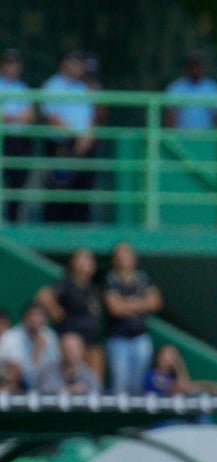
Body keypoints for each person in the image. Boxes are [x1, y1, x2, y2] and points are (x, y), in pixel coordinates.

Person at [40, 50, 96, 223]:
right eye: (74, 62)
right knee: (59, 188)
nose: (79, 66)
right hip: (62, 145)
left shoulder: (83, 87)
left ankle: (80, 225)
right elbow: (52, 117)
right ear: (64, 64)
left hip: (83, 144)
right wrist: (76, 136)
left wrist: (86, 136)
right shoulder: (52, 85)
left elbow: (90, 115)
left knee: (82, 187)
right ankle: (54, 226)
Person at [103, 242, 162, 395]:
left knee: (138, 385)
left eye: (126, 256)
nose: (123, 260)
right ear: (114, 260)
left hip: (140, 338)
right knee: (120, 383)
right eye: (119, 257)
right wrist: (141, 303)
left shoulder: (142, 278)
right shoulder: (110, 280)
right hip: (118, 339)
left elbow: (155, 302)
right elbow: (115, 308)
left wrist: (127, 304)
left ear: (133, 259)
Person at [35, 249, 104, 379]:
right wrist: (55, 311)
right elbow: (42, 295)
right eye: (82, 261)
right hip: (72, 345)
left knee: (94, 382)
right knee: (72, 379)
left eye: (89, 261)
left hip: (91, 343)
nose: (85, 265)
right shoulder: (66, 283)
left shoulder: (93, 288)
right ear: (73, 264)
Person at [0, 49, 33, 224]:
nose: (11, 67)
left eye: (14, 63)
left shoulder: (23, 88)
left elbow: (29, 116)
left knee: (17, 180)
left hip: (17, 140)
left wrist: (8, 117)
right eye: (8, 62)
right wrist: (15, 117)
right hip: (2, 138)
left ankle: (13, 220)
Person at [0, 304, 58, 389]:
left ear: (45, 319)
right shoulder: (11, 337)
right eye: (31, 315)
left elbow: (54, 365)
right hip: (18, 385)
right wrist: (38, 350)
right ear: (24, 318)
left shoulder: (50, 336)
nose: (34, 319)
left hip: (47, 385)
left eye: (39, 315)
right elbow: (21, 372)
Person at [164, 51, 217, 130]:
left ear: (202, 66)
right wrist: (171, 136)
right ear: (185, 67)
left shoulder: (213, 88)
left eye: (197, 64)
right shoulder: (176, 88)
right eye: (191, 65)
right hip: (181, 136)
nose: (194, 68)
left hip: (207, 136)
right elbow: (170, 116)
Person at [143, 343, 217, 395]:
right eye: (167, 354)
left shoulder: (170, 378)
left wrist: (210, 386)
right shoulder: (152, 375)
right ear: (159, 356)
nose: (169, 359)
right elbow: (183, 387)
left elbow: (188, 386)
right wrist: (179, 364)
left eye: (173, 356)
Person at [34, 332, 100, 394]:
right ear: (60, 350)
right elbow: (45, 393)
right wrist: (70, 390)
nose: (69, 353)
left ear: (81, 351)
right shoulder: (48, 372)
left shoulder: (88, 373)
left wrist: (84, 391)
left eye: (73, 349)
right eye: (66, 348)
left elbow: (97, 392)